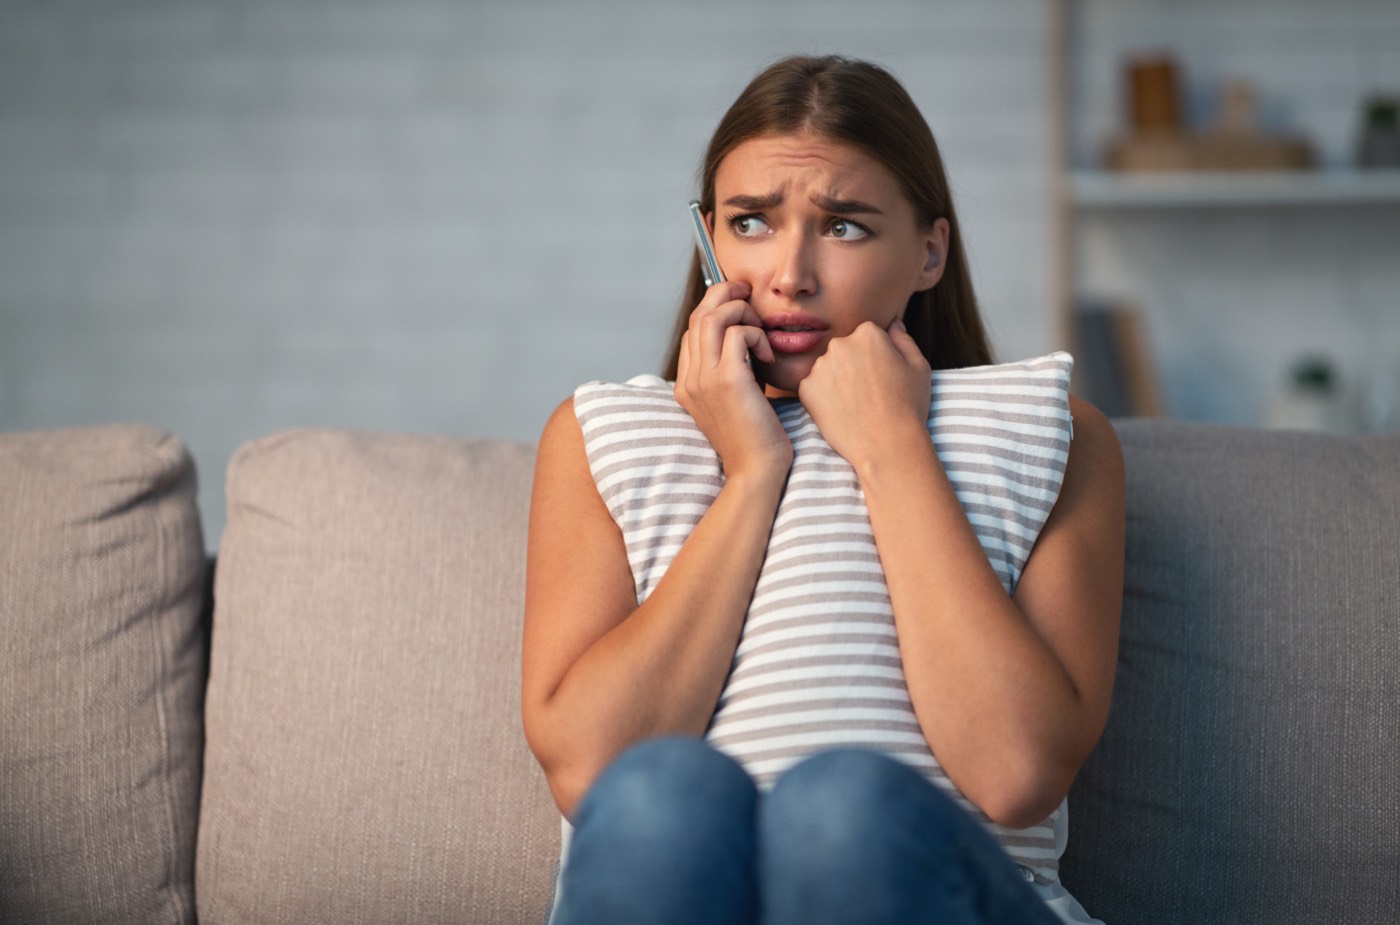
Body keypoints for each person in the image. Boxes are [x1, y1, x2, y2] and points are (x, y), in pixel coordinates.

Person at [522, 54, 1125, 925]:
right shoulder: (597, 435)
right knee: (658, 795)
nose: (790, 274)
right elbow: (591, 774)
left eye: (843, 227)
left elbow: (1016, 771)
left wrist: (891, 447)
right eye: (752, 223)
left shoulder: (1056, 429)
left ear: (929, 251)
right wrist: (753, 473)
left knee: (841, 809)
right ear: (708, 240)